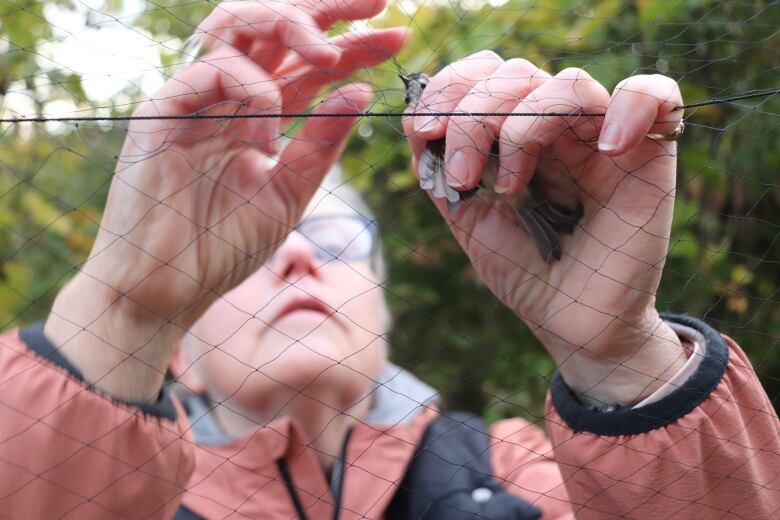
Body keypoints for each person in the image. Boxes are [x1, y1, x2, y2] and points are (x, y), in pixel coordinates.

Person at [1, 1, 778, 519]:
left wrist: (622, 362)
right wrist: (121, 311)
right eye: (253, 255)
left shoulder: (520, 478)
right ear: (182, 357)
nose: (301, 259)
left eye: (337, 243)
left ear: (384, 311)